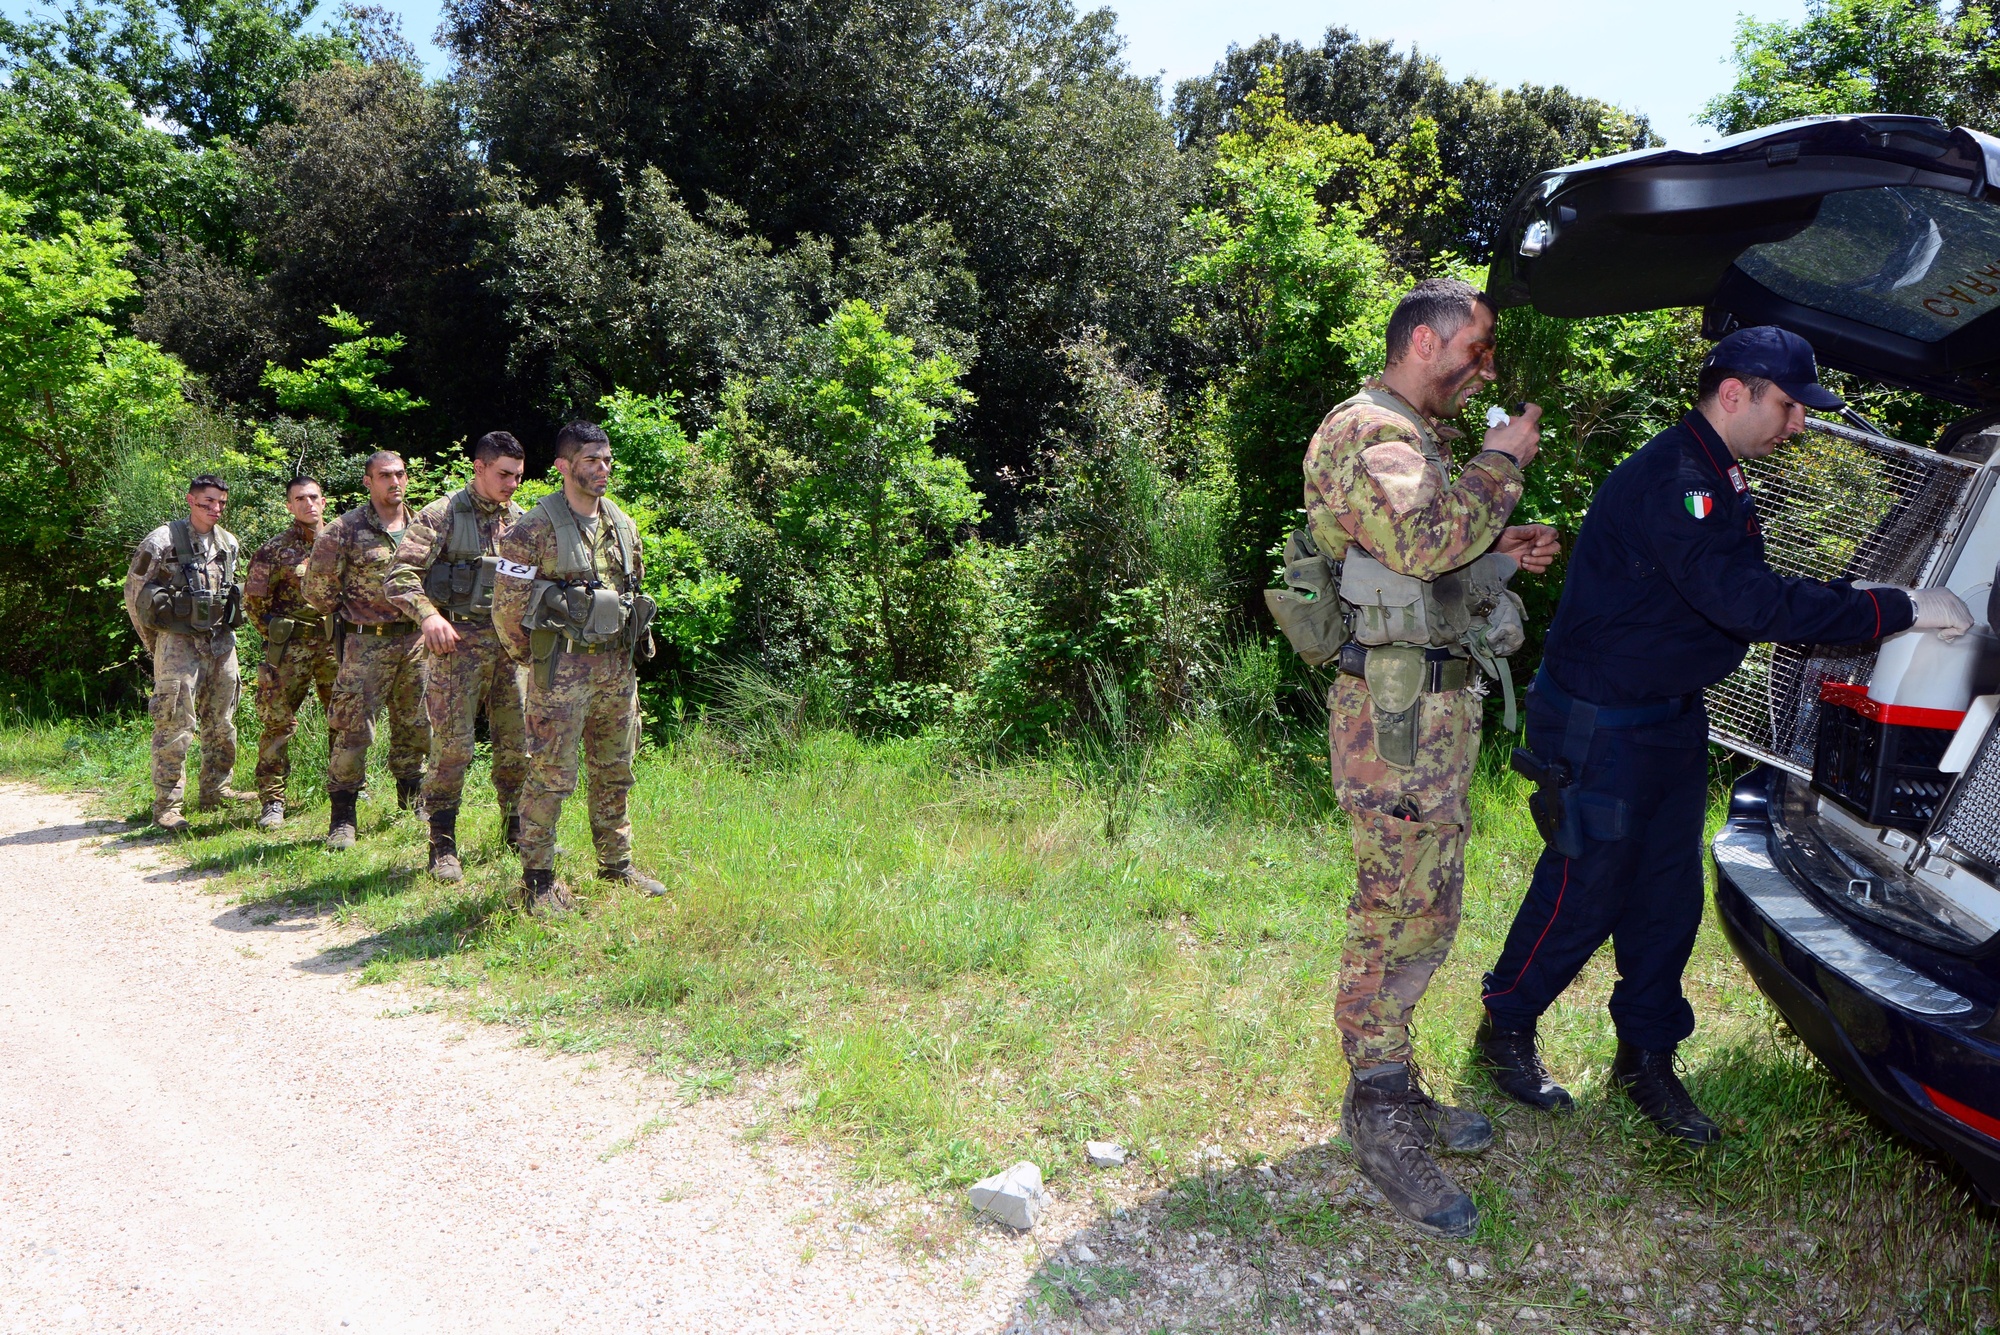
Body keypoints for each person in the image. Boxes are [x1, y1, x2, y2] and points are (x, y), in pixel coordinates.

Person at [1476, 325, 1971, 1144]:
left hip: (1666, 711)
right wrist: (1900, 607)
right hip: (1604, 715)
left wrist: (1868, 598)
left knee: (1667, 893)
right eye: (1789, 407)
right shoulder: (1677, 479)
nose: (1799, 425)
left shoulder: (1721, 472)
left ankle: (1646, 1055)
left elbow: (1751, 588)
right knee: (1588, 879)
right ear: (1734, 393)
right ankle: (1507, 1024)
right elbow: (1753, 606)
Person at [1306, 277, 1559, 1238]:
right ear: (1424, 338)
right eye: (1478, 348)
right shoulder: (1374, 430)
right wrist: (1502, 466)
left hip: (1430, 707)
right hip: (1394, 719)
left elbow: (1429, 565)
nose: (1485, 368)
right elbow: (1416, 541)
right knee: (1392, 906)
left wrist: (1500, 551)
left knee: (1432, 897)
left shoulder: (1414, 438)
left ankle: (1395, 1085)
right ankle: (1377, 1112)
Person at [491, 421, 664, 912]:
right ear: (564, 466)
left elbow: (631, 592)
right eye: (591, 460)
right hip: (560, 672)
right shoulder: (532, 529)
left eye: (607, 460)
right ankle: (538, 880)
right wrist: (536, 663)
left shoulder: (623, 525)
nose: (603, 469)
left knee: (616, 770)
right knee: (551, 774)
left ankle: (616, 865)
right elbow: (506, 608)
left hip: (615, 669)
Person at [384, 432, 529, 881]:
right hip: (455, 647)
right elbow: (400, 576)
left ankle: (516, 831)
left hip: (510, 650)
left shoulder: (523, 521)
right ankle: (442, 845)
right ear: (479, 467)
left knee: (518, 747)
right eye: (504, 474)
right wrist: (428, 616)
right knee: (453, 749)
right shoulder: (442, 515)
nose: (512, 485)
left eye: (518, 477)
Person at [305, 450, 430, 851]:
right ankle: (343, 817)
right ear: (368, 481)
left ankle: (413, 802)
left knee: (417, 723)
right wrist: (354, 613)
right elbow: (318, 591)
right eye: (384, 475)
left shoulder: (423, 527)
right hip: (366, 643)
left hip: (416, 641)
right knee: (353, 728)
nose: (394, 482)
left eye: (400, 474)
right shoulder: (343, 530)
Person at [124, 475, 255, 832]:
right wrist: (155, 644)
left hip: (220, 642)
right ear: (190, 500)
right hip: (177, 643)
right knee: (175, 722)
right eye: (208, 502)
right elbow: (135, 595)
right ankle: (167, 805)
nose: (215, 509)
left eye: (221, 504)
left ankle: (217, 788)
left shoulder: (228, 543)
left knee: (223, 719)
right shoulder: (162, 540)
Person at [244, 475, 337, 830]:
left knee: (343, 723)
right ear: (289, 505)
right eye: (299, 499)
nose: (308, 504)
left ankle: (343, 795)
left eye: (313, 497)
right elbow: (253, 603)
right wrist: (278, 634)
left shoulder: (340, 543)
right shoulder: (274, 550)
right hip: (289, 651)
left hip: (334, 646)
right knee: (277, 725)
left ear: (324, 501)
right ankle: (272, 802)